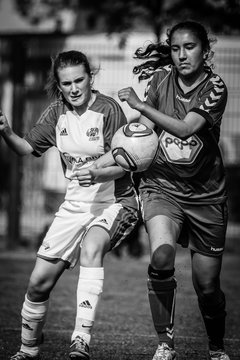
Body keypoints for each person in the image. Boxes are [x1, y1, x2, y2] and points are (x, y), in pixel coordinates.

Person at [0, 50, 139, 360]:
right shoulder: (55, 113)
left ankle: (81, 339)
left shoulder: (108, 109)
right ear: (58, 85)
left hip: (114, 202)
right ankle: (28, 348)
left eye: (80, 80)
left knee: (91, 249)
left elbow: (127, 162)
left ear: (90, 77)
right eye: (67, 83)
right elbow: (26, 148)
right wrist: (7, 131)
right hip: (73, 206)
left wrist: (98, 171)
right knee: (37, 284)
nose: (74, 88)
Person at [118, 21, 230, 360]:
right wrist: (113, 157)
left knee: (207, 287)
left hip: (206, 197)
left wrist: (140, 105)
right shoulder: (161, 80)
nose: (182, 55)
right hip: (162, 188)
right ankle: (164, 344)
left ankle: (216, 348)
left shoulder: (215, 88)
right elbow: (145, 133)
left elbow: (184, 129)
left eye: (190, 47)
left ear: (206, 52)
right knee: (162, 254)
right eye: (176, 47)